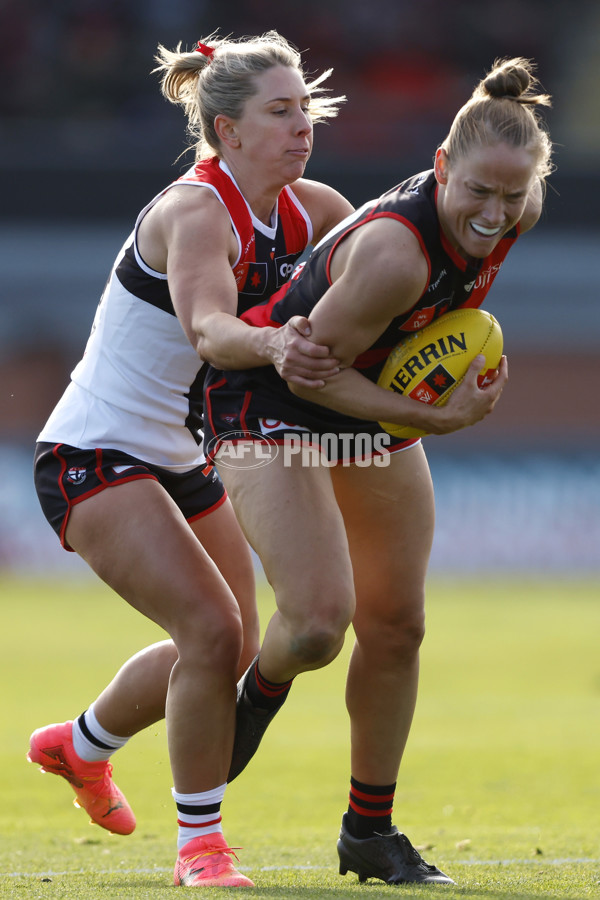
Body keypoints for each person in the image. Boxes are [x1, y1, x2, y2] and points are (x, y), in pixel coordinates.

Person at [202, 57, 553, 886]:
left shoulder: (517, 209)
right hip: (274, 397)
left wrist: (422, 400)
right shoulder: (396, 256)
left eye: (512, 198)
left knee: (398, 627)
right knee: (320, 625)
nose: (493, 215)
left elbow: (418, 334)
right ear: (440, 167)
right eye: (476, 193)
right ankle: (261, 688)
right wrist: (435, 416)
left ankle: (370, 832)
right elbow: (304, 370)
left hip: (369, 395)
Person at [28, 31, 353, 888]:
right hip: (92, 451)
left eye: (306, 111)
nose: (301, 128)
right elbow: (210, 329)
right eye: (279, 113)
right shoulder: (193, 211)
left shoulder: (310, 208)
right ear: (226, 129)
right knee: (212, 632)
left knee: (233, 644)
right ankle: (201, 850)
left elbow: (391, 267)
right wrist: (279, 343)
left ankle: (79, 745)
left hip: (179, 453)